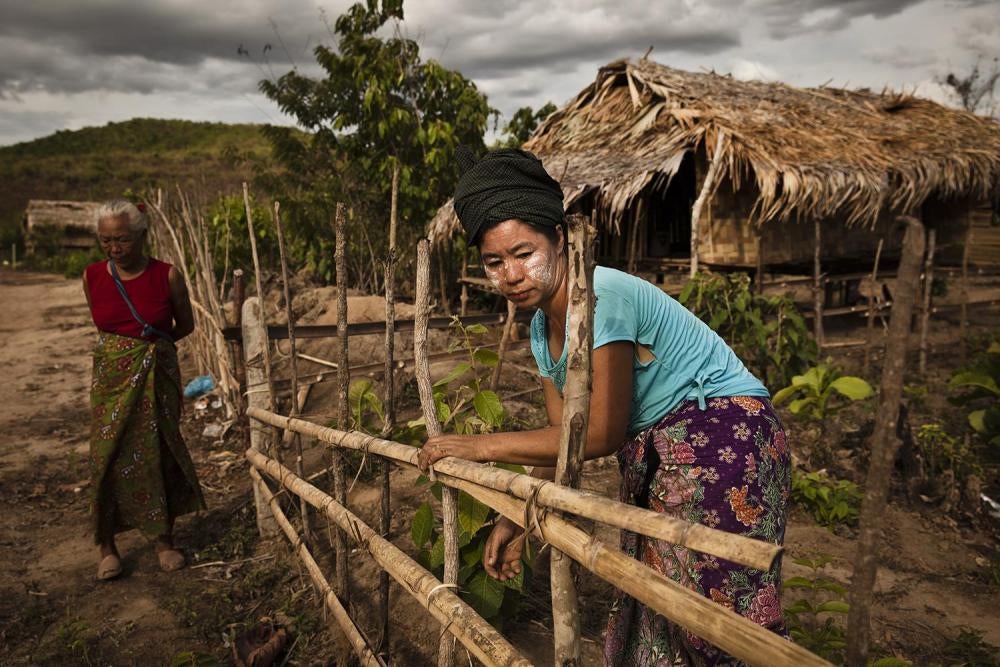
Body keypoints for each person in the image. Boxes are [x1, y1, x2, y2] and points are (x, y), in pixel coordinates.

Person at [418, 148, 790, 665]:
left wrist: (479, 447)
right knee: (661, 606)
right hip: (664, 452)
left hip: (723, 441)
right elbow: (560, 437)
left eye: (524, 253)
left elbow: (597, 435)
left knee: (713, 616)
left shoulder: (601, 296)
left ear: (559, 238)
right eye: (494, 262)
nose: (511, 275)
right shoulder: (540, 331)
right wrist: (518, 517)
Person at [82, 199, 205, 580]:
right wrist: (125, 355)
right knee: (107, 454)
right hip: (111, 382)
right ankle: (107, 546)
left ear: (141, 235)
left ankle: (163, 540)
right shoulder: (92, 276)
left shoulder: (167, 276)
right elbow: (104, 326)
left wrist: (150, 352)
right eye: (106, 240)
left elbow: (184, 325)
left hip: (156, 376)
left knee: (157, 451)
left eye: (121, 239)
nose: (114, 248)